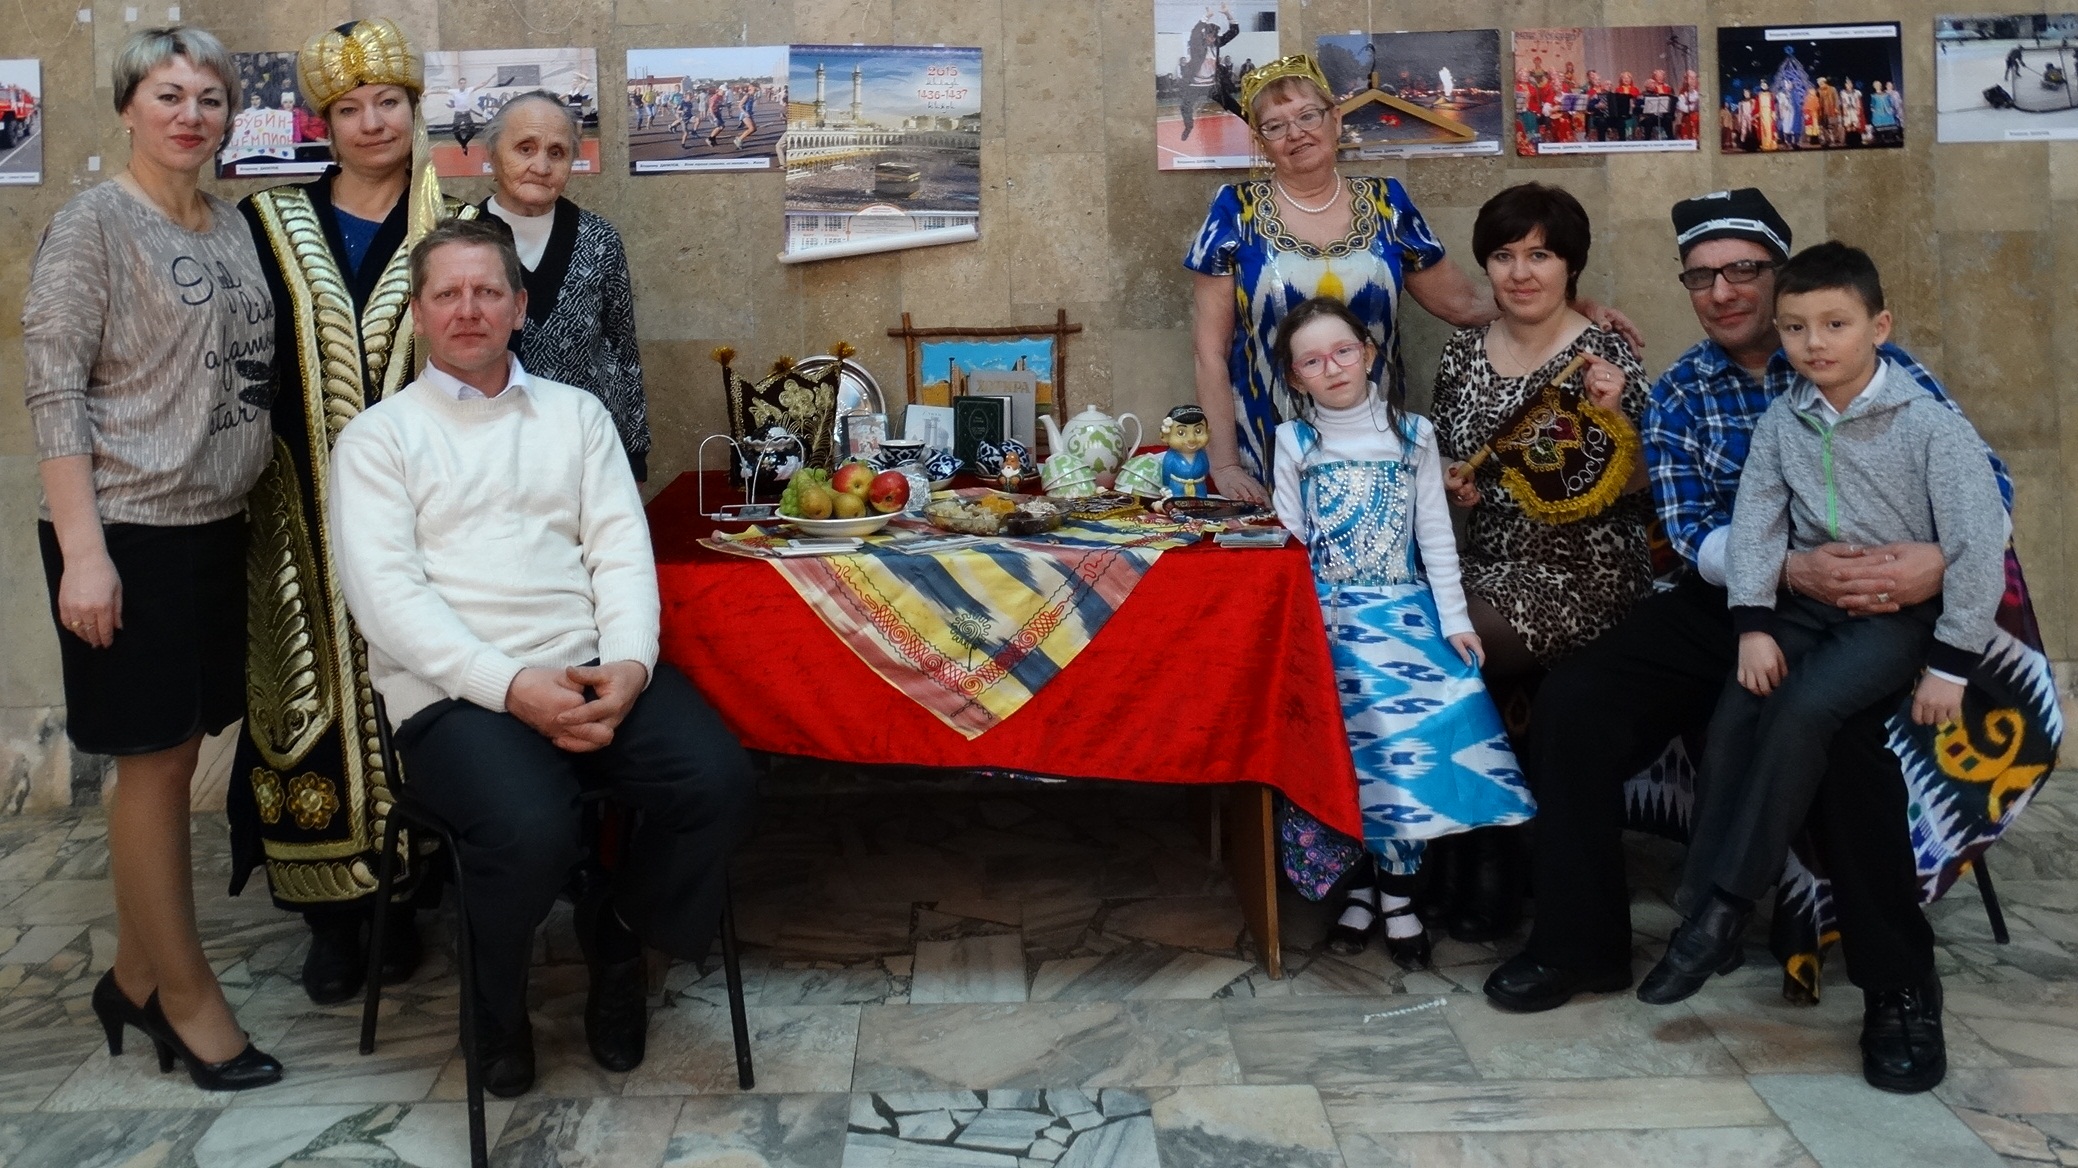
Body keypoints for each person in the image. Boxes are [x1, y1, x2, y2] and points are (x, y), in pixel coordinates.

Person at [1483, 189, 2013, 1098]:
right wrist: (1784, 579)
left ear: (1782, 275)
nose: (1723, 292)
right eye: (1701, 277)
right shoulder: (1685, 388)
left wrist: (1932, 562)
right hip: (1740, 596)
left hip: (1877, 600)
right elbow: (1693, 530)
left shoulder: (1884, 372)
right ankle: (1581, 943)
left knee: (1844, 745)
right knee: (1578, 701)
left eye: (1743, 271)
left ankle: (1899, 987)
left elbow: (1987, 489)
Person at [328, 217, 756, 1096]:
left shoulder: (577, 416)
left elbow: (620, 555)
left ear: (520, 307)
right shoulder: (378, 439)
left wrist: (629, 665)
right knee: (530, 829)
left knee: (717, 781)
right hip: (453, 694)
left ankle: (619, 935)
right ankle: (494, 1008)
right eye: (448, 294)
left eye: (488, 291)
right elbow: (387, 602)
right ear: (419, 312)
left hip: (590, 667)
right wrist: (511, 685)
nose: (469, 310)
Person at [1636, 242, 2006, 1019]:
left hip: (1896, 613)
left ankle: (1726, 907)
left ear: (1879, 327)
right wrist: (1752, 626)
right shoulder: (1783, 421)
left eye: (1836, 324)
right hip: (1805, 605)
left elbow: (1978, 545)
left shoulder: (1929, 425)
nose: (1816, 343)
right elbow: (1757, 526)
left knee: (1804, 709)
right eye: (1797, 327)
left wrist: (1950, 664)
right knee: (1741, 705)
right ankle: (1705, 909)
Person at [25, 25, 281, 1090]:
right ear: (128, 107)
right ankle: (186, 997)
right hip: (126, 530)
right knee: (155, 764)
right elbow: (54, 388)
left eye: (209, 97)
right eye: (168, 94)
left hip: (214, 525)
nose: (191, 114)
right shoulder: (94, 222)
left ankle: (132, 976)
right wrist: (85, 556)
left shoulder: (233, 226)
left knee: (177, 754)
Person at [230, 17, 481, 1007]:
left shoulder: (458, 225)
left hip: (430, 515)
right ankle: (333, 917)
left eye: (389, 102)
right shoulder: (267, 223)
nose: (372, 122)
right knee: (306, 697)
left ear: (415, 109)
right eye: (349, 108)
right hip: (294, 513)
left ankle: (416, 893)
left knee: (424, 682)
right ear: (323, 123)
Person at [1186, 55, 1640, 504]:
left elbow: (1464, 305)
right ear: (1261, 141)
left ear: (1335, 119)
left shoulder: (1388, 204)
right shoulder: (1234, 211)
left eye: (1308, 115)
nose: (1296, 133)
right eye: (1275, 125)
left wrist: (1570, 305)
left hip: (1374, 444)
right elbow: (1210, 351)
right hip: (1266, 442)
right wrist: (1225, 464)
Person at [1269, 297, 1534, 969]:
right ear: (1295, 377)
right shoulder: (1294, 441)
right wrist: (1297, 637)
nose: (1332, 368)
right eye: (1311, 361)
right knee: (1348, 761)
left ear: (1368, 352)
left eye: (1343, 351)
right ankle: (1359, 892)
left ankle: (1399, 897)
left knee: (1404, 758)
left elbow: (1435, 534)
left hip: (1403, 621)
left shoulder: (1413, 435)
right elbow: (1291, 544)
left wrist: (1455, 620)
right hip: (1330, 624)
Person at [1429, 183, 1655, 940]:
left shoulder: (1603, 355)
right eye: (1503, 256)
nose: (1521, 273)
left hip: (1583, 572)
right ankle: (1462, 847)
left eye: (1540, 255)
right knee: (1406, 627)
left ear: (1570, 266)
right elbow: (1446, 457)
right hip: (1487, 560)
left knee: (1450, 646)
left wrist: (1613, 423)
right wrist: (1453, 483)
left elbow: (1646, 479)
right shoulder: (1463, 353)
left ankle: (1491, 852)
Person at [480, 92, 651, 480]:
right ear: (492, 153)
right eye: (525, 149)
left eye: (556, 153)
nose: (541, 166)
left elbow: (623, 350)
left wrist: (634, 454)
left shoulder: (599, 238)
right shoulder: (462, 239)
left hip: (590, 454)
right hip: (492, 458)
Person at [1177, 6, 1239, 140]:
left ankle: (1252, 123)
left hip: (1212, 86)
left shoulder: (1216, 45)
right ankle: (1189, 126)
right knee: (1185, 106)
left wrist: (1228, 13)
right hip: (1195, 85)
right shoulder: (1196, 46)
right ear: (1205, 35)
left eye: (1214, 37)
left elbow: (1234, 32)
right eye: (1209, 36)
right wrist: (1207, 16)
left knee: (1232, 104)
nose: (1212, 39)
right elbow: (1195, 32)